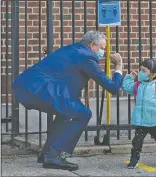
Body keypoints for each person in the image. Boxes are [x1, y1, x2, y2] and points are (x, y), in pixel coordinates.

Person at [12, 30, 123, 171]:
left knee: (65, 114)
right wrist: (118, 68)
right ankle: (54, 156)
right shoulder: (87, 57)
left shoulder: (73, 49)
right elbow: (112, 87)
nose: (103, 52)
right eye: (101, 48)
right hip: (40, 90)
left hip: (25, 88)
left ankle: (47, 154)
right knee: (83, 113)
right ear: (92, 45)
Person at [122, 59, 156, 169]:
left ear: (152, 74)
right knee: (136, 142)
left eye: (143, 70)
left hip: (155, 121)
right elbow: (126, 87)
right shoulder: (138, 85)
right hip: (141, 122)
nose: (140, 72)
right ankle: (134, 160)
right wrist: (129, 77)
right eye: (140, 70)